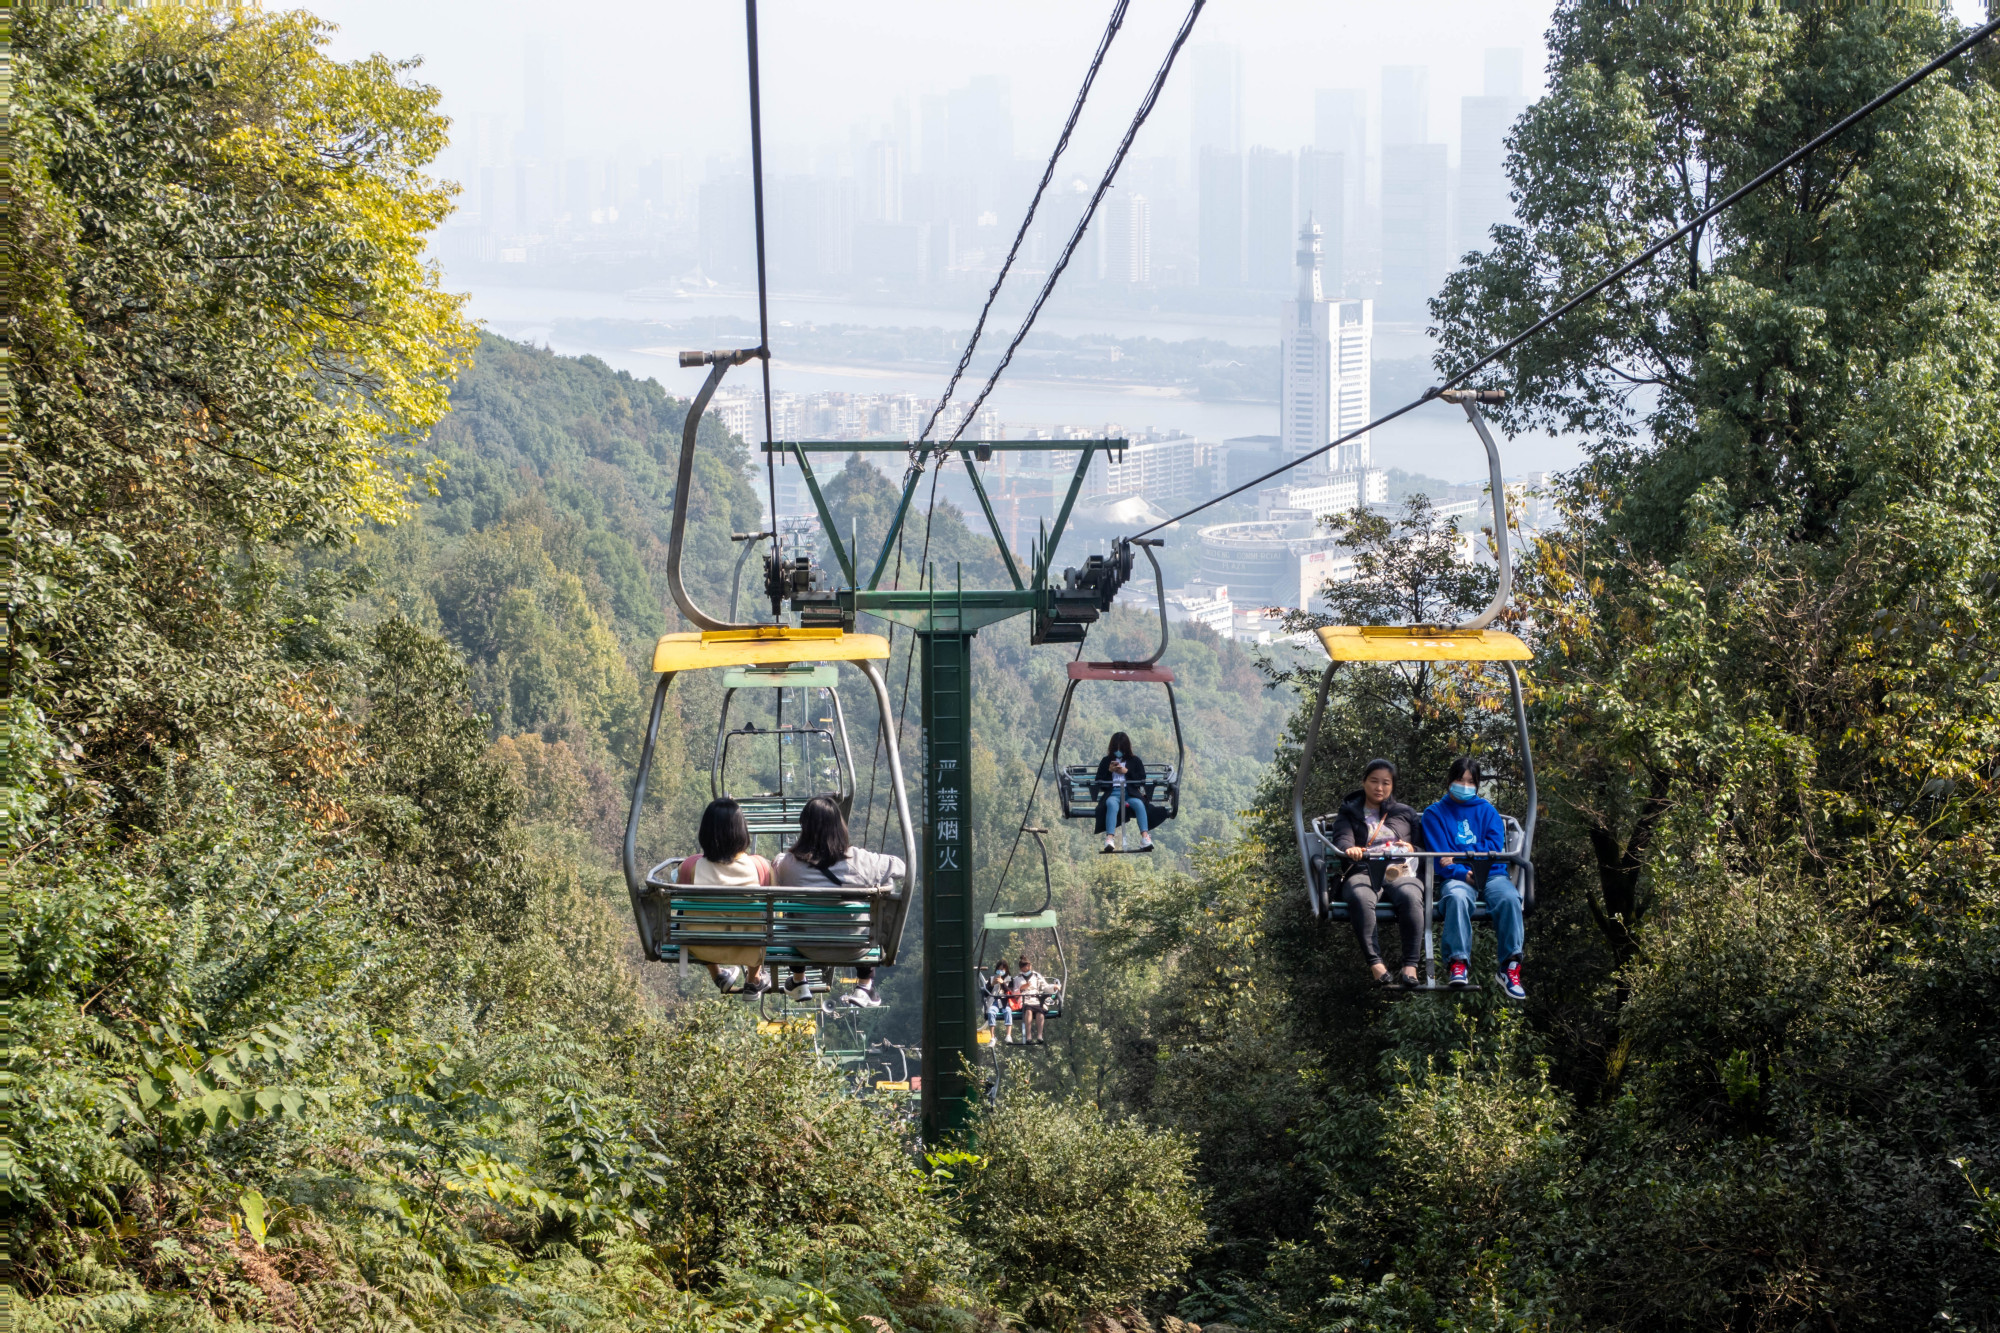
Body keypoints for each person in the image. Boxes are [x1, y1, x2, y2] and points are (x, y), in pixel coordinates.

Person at [773, 795, 904, 1007]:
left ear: (804, 828)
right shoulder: (860, 860)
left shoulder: (789, 865)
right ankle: (864, 985)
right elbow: (900, 867)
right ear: (839, 827)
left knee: (792, 912)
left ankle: (798, 979)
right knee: (878, 893)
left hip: (807, 946)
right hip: (855, 947)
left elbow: (777, 864)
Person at [1420, 757, 1525, 998]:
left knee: (1509, 899)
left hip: (1491, 873)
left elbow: (1494, 848)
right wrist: (1463, 867)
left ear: (1477, 785)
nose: (1464, 785)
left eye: (1470, 781)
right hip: (1457, 877)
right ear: (1450, 781)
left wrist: (1457, 857)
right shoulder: (1434, 814)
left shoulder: (1487, 811)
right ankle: (1458, 962)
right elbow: (1440, 857)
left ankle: (1510, 966)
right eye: (1459, 780)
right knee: (1457, 898)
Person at [1327, 759, 1425, 987]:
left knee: (1411, 896)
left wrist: (1412, 849)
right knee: (1361, 897)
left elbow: (1423, 847)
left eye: (1385, 783)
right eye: (1374, 781)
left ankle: (1410, 965)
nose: (1379, 788)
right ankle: (1376, 964)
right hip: (1365, 870)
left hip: (1399, 871)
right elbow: (1342, 838)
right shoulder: (1350, 812)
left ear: (1392, 786)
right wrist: (1349, 849)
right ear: (1364, 782)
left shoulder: (1405, 813)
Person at [673, 798, 775, 996]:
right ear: (742, 831)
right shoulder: (760, 867)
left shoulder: (690, 866)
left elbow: (681, 904)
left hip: (702, 947)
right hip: (750, 949)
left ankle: (717, 974)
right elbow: (774, 913)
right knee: (763, 920)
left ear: (705, 832)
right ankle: (754, 978)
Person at [1095, 731, 1154, 853]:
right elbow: (1099, 781)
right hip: (1114, 792)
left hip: (1130, 792)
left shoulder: (1135, 761)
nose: (1118, 751)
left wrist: (1126, 772)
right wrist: (1110, 771)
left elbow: (1141, 778)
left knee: (1139, 804)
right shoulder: (1106, 761)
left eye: (1121, 749)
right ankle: (1109, 838)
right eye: (1116, 749)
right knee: (1111, 804)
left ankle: (1145, 837)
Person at [1013, 954, 1050, 1044]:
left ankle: (1039, 1035)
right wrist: (1022, 988)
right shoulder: (1017, 979)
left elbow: (1046, 987)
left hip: (1036, 998)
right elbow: (1015, 993)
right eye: (1025, 967)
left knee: (1040, 1011)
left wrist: (1054, 987)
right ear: (1021, 968)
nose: (1027, 968)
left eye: (1028, 966)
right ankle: (1028, 1036)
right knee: (1028, 1011)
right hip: (1025, 999)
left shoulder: (1037, 976)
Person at [983, 960, 1014, 1041]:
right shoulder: (992, 979)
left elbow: (1010, 992)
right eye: (999, 969)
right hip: (994, 1001)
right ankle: (992, 1037)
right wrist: (991, 985)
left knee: (1007, 1011)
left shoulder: (1010, 979)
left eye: (1002, 969)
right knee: (991, 1012)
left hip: (1005, 1001)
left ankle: (1008, 1035)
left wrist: (1002, 983)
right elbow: (985, 993)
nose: (1000, 971)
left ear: (1006, 970)